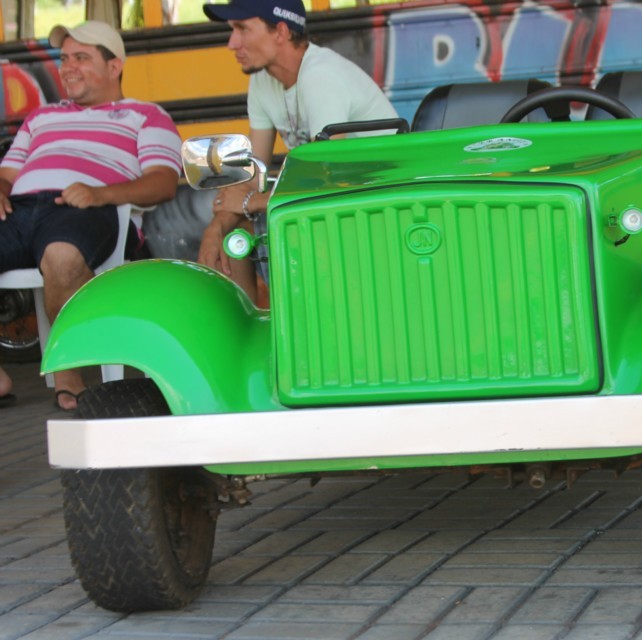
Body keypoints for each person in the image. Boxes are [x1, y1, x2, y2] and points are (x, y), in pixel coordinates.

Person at [0, 21, 181, 410]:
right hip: (20, 208)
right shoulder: (40, 117)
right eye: (65, 58)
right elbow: (7, 174)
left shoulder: (146, 115)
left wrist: (100, 193)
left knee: (62, 257)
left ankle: (69, 372)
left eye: (81, 58)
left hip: (89, 210)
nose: (68, 68)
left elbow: (164, 181)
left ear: (114, 66)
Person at [199, 0, 398, 301]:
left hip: (382, 206)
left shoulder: (321, 76)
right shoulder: (262, 80)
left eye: (242, 29)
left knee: (257, 211)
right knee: (233, 230)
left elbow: (328, 184)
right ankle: (258, 333)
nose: (232, 43)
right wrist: (214, 230)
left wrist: (252, 201)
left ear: (280, 31)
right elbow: (253, 174)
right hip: (335, 201)